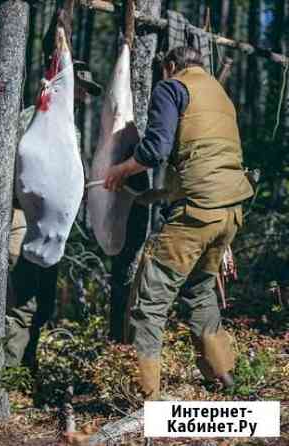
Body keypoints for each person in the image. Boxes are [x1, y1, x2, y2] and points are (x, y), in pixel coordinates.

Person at [104, 46, 254, 399]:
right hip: (229, 212)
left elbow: (155, 149)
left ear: (170, 66)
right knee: (200, 290)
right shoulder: (219, 92)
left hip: (197, 212)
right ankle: (226, 379)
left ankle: (144, 396)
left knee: (149, 301)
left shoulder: (171, 87)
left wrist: (120, 170)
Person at [5, 62, 102, 371]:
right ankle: (7, 371)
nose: (83, 95)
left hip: (48, 227)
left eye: (86, 91)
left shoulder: (67, 126)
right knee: (22, 297)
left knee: (42, 299)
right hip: (22, 218)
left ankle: (25, 363)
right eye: (81, 88)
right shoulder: (33, 118)